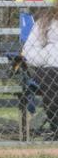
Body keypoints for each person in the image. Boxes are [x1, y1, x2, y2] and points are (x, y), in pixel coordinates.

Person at [21, 7, 58, 140]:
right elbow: (29, 52)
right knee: (50, 80)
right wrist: (49, 55)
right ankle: (56, 128)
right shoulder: (44, 23)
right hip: (49, 68)